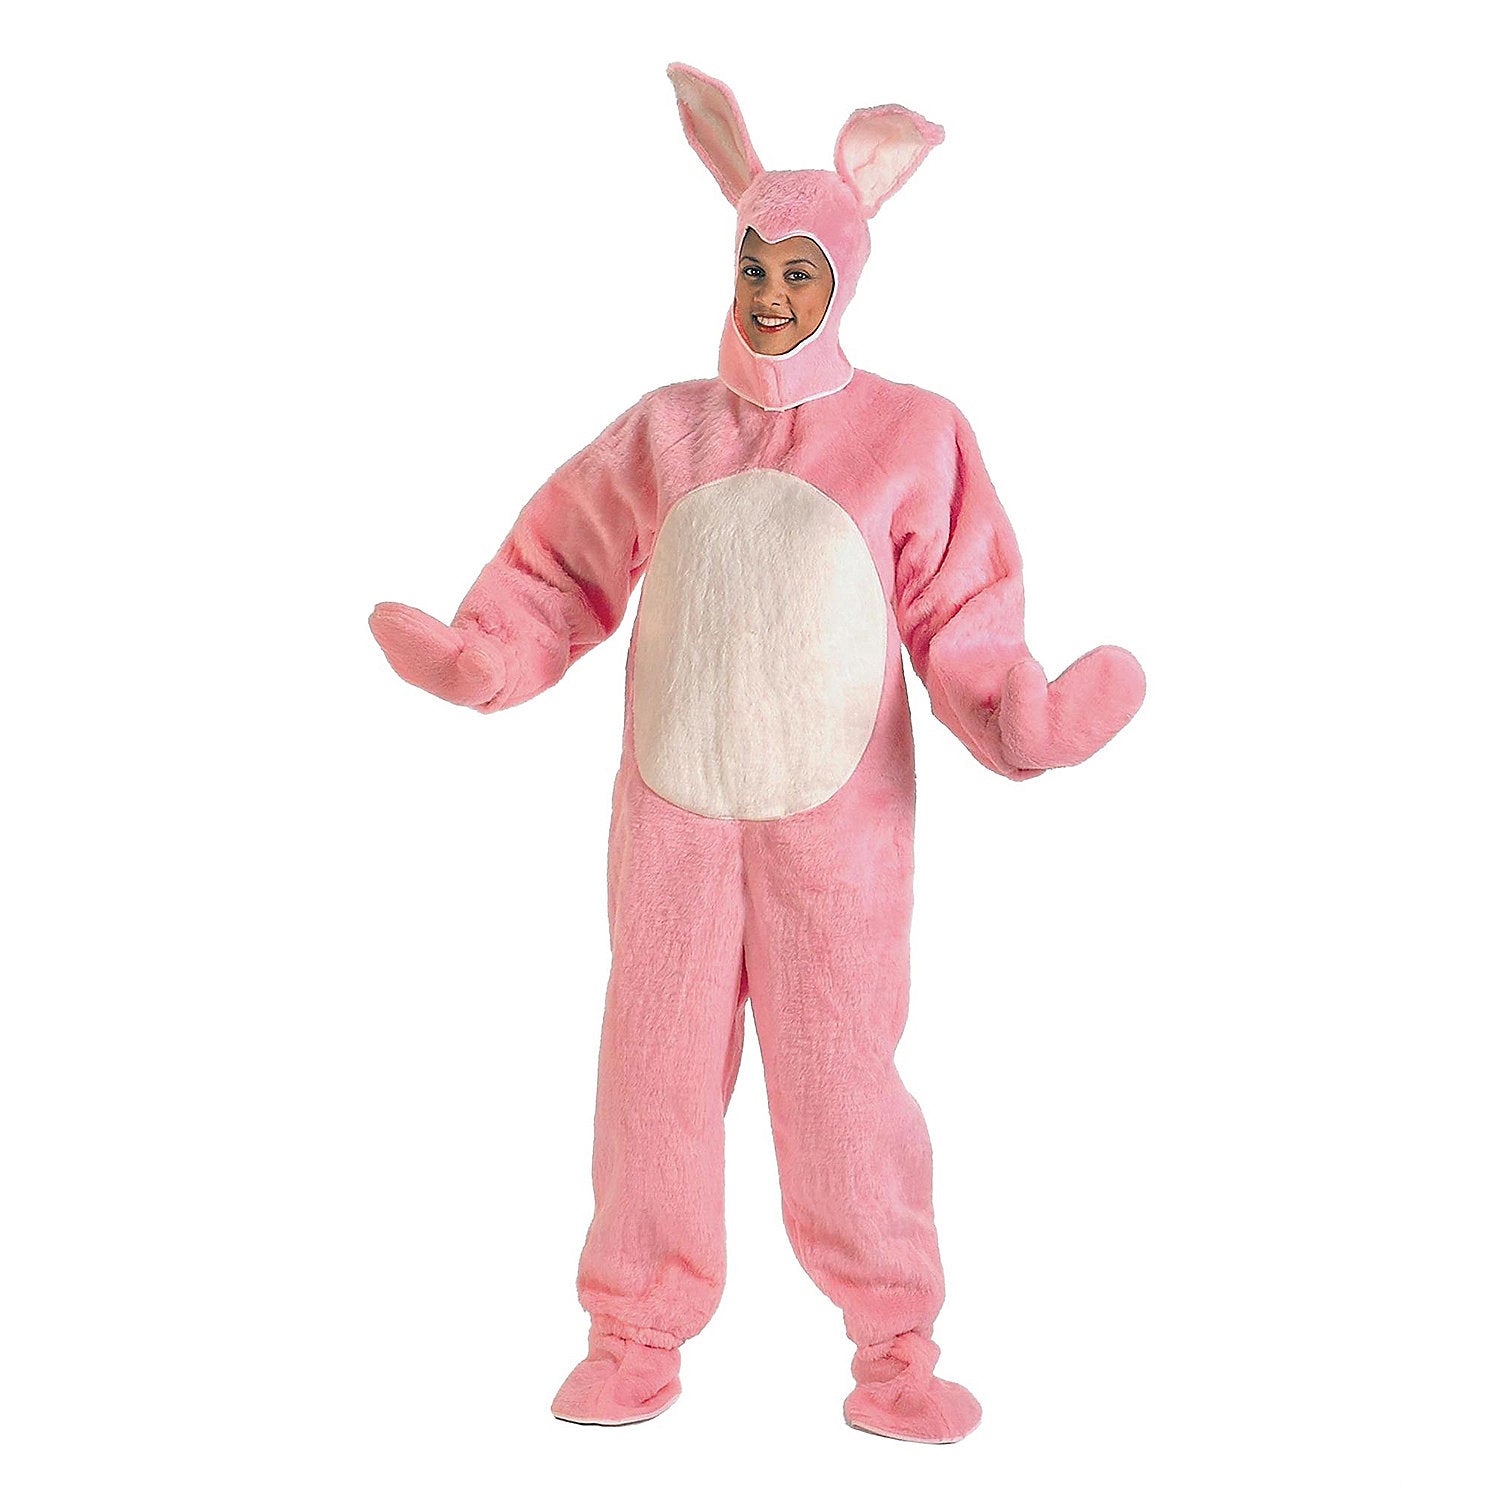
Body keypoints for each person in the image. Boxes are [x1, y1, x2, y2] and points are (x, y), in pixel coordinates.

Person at [369, 60, 1146, 1445]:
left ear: (844, 279)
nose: (773, 293)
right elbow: (563, 560)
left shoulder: (915, 433)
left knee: (844, 1081)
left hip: (837, 834)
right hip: (672, 822)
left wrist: (1019, 718)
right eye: (755, 265)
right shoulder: (669, 430)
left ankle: (895, 1349)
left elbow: (963, 613)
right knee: (651, 1073)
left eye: (800, 271)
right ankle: (632, 1334)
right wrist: (489, 654)